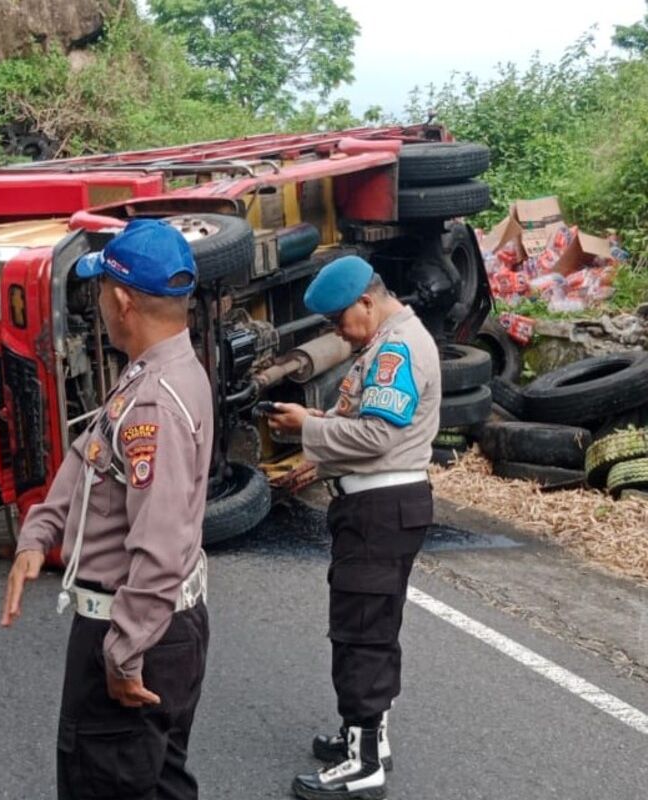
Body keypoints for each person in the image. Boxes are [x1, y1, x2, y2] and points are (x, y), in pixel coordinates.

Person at [0, 219, 214, 800]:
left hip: (133, 623)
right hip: (163, 622)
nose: (96, 303)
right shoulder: (159, 372)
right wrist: (37, 535)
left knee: (105, 781)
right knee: (160, 780)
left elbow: (161, 544)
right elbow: (90, 456)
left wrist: (123, 652)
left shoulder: (154, 404)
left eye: (99, 291)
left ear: (121, 300)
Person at [264, 256, 440, 800]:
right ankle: (368, 741)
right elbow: (369, 431)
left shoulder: (396, 350)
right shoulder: (390, 341)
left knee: (360, 633)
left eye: (340, 318)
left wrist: (308, 427)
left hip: (380, 509)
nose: (337, 331)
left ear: (367, 300)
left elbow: (378, 439)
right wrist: (318, 461)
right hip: (380, 504)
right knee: (372, 626)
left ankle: (364, 769)